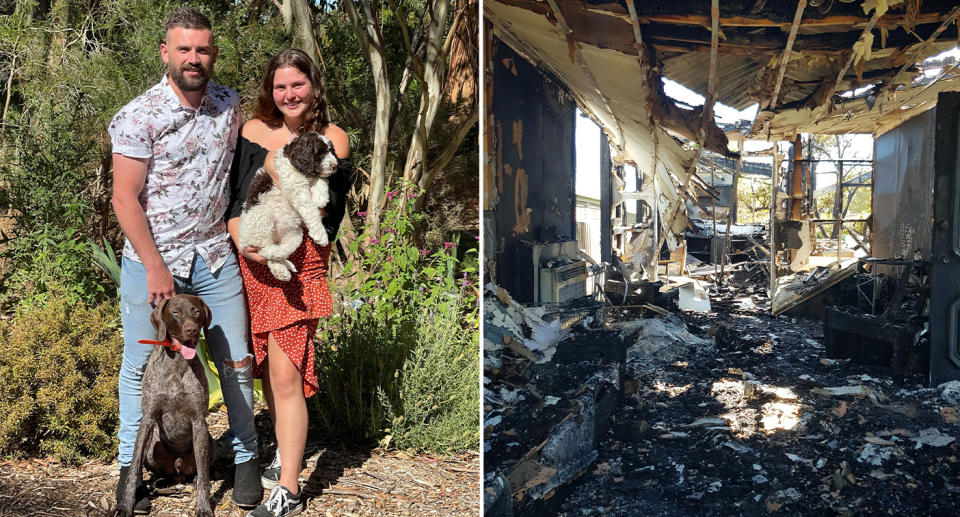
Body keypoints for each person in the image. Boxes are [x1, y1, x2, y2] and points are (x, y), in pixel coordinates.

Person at [108, 7, 261, 513]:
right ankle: (131, 470)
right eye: (184, 49)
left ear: (212, 53)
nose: (193, 59)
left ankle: (244, 461)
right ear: (165, 53)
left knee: (237, 362)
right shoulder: (138, 115)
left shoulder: (229, 105)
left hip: (214, 259)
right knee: (138, 367)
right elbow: (124, 199)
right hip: (154, 262)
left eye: (202, 50)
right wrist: (155, 267)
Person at [226, 48, 352, 517]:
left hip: (300, 267)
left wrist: (278, 168)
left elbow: (324, 210)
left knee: (286, 376)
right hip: (252, 262)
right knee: (266, 371)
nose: (288, 94)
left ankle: (289, 491)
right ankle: (285, 452)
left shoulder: (331, 138)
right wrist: (243, 242)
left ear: (313, 86)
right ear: (270, 90)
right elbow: (234, 199)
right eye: (280, 86)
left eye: (297, 85)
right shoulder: (251, 132)